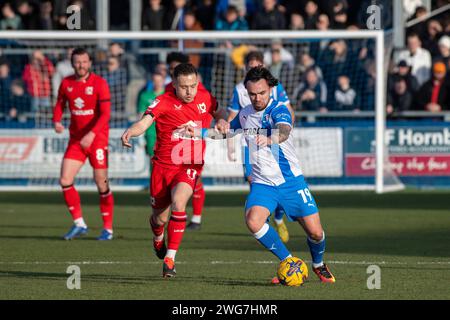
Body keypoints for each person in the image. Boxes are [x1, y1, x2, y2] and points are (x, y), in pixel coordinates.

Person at [225, 66, 336, 283]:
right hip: (263, 184)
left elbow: (284, 130)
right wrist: (201, 132)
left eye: (262, 93)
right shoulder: (245, 113)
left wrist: (270, 139)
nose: (257, 98)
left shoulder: (279, 110)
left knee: (316, 233)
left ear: (270, 89)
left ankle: (318, 264)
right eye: (252, 94)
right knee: (253, 221)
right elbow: (226, 130)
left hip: (291, 182)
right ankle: (289, 261)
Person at [121, 63, 226, 278]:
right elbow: (144, 122)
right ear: (174, 85)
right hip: (162, 166)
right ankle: (158, 237)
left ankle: (170, 259)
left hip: (189, 164)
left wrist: (223, 119)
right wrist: (130, 132)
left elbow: (219, 110)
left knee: (179, 203)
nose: (189, 91)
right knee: (159, 219)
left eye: (193, 86)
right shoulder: (163, 101)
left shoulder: (205, 98)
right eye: (184, 87)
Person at [227, 50, 292, 243]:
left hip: (271, 139)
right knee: (254, 180)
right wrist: (230, 142)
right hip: (250, 143)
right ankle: (261, 215)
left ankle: (278, 218)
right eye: (251, 67)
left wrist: (285, 131)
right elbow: (232, 117)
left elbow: (288, 110)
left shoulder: (274, 86)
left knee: (278, 180)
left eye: (258, 66)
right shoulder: (239, 89)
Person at [53, 48, 114, 241]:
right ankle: (80, 223)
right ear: (72, 63)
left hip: (97, 140)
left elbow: (105, 114)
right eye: (78, 62)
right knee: (65, 180)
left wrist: (92, 134)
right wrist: (57, 120)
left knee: (101, 183)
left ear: (90, 63)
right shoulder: (66, 83)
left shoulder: (100, 83)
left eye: (84, 62)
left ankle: (108, 229)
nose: (81, 65)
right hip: (76, 140)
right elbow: (59, 104)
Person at [165, 52, 210, 231]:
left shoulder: (199, 90)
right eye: (171, 69)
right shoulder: (168, 89)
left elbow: (208, 110)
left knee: (195, 180)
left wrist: (201, 132)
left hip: (193, 139)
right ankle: (174, 214)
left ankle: (196, 218)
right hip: (174, 141)